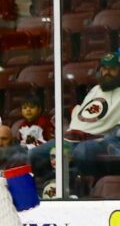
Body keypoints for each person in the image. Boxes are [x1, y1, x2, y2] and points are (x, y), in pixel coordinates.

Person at [29, 54, 120, 188]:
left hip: (99, 139)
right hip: (72, 138)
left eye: (112, 69)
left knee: (83, 152)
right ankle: (51, 185)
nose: (107, 72)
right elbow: (85, 115)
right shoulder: (95, 90)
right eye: (104, 68)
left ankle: (88, 189)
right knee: (35, 154)